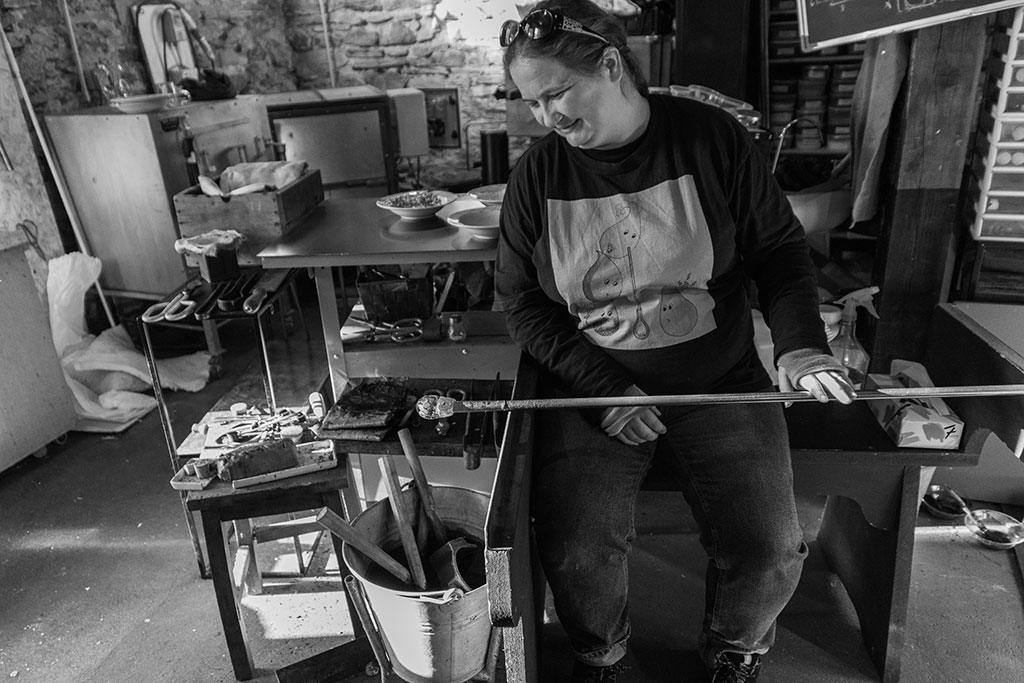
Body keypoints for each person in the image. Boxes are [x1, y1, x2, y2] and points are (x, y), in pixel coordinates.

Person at [492, 2, 857, 682]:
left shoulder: (709, 139)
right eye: (532, 103)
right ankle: (602, 654)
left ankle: (733, 648)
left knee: (771, 546)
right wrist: (604, 388)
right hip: (592, 384)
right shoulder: (538, 177)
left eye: (556, 95)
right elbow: (523, 305)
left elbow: (778, 252)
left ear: (609, 64)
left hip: (717, 378)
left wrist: (800, 346)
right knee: (576, 548)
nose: (546, 118)